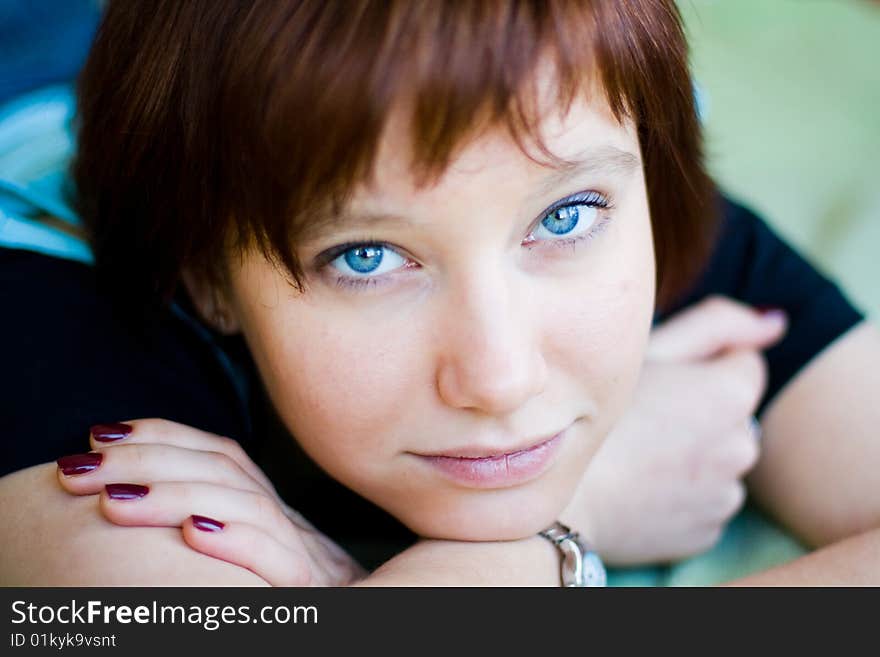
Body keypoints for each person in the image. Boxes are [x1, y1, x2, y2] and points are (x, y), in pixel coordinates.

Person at [1, 0, 878, 586]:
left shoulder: (573, 150)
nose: (501, 379)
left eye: (565, 219)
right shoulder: (59, 335)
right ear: (207, 276)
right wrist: (581, 520)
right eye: (369, 258)